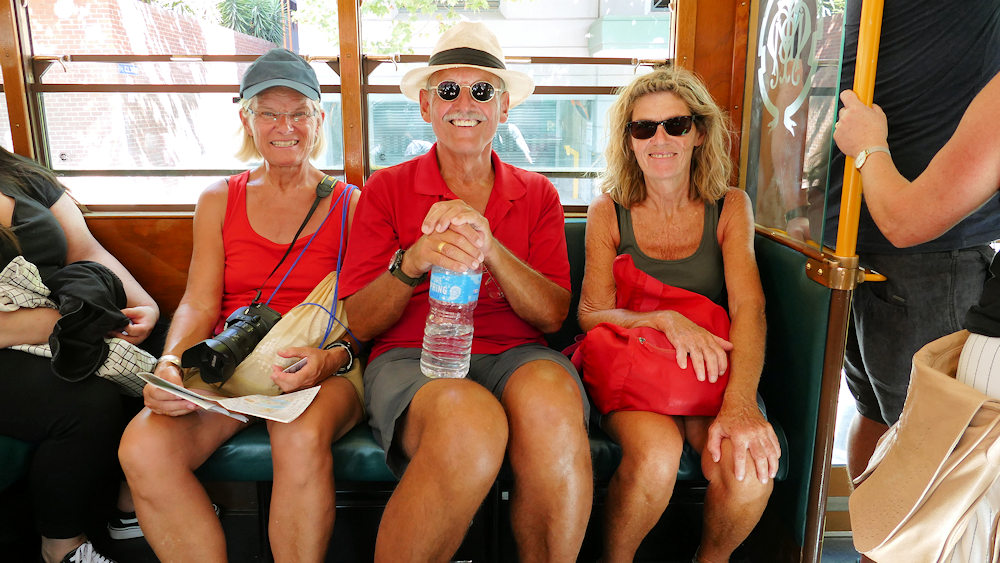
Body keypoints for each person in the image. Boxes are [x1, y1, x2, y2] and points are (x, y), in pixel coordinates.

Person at [339, 22, 593, 562]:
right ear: (426, 106)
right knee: (470, 424)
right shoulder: (386, 189)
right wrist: (412, 262)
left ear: (503, 108)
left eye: (481, 91)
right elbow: (358, 321)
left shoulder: (538, 193)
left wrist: (491, 245)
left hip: (517, 355)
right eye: (449, 90)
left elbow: (552, 316)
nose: (465, 104)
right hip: (411, 358)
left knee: (553, 403)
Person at [117, 48, 363, 562]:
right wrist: (170, 361)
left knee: (298, 434)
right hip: (231, 362)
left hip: (318, 367)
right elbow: (198, 301)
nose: (285, 127)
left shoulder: (350, 203)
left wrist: (328, 359)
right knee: (143, 447)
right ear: (247, 119)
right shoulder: (218, 199)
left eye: (299, 113)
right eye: (268, 112)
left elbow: (366, 311)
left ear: (319, 120)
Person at [577, 66, 780, 563]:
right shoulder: (608, 210)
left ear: (699, 133)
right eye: (643, 128)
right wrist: (665, 320)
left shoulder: (730, 206)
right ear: (628, 141)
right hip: (635, 371)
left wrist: (741, 403)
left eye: (676, 124)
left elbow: (749, 308)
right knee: (655, 457)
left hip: (708, 373)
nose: (660, 139)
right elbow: (591, 314)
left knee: (749, 471)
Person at [825, 0, 1000, 483]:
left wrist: (867, 147)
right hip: (862, 236)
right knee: (892, 420)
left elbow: (910, 222)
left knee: (927, 438)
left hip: (924, 245)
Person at [0, 146, 160, 563]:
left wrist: (144, 308)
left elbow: (85, 251)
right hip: (14, 336)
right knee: (85, 399)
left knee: (169, 354)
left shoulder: (15, 173)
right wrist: (46, 324)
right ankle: (61, 546)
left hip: (63, 315)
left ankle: (131, 505)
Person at [835, 69, 1000, 396]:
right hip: (858, 245)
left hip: (988, 343)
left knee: (930, 423)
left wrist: (867, 145)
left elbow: (905, 222)